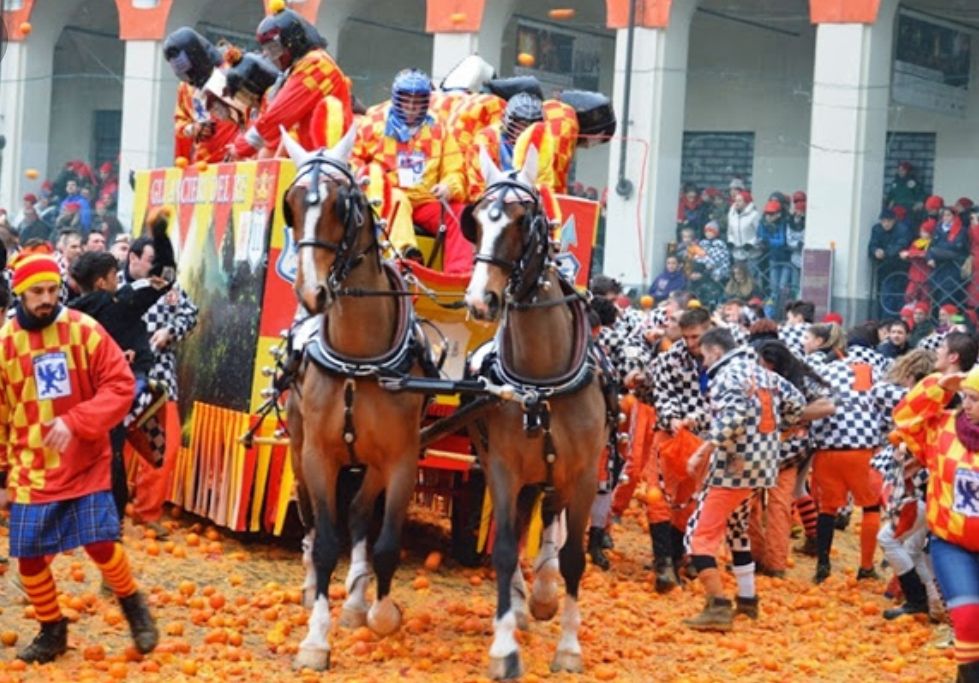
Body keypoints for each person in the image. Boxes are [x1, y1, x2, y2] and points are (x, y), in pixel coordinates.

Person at [0, 254, 158, 663]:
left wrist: (77, 422)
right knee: (29, 555)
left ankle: (132, 604)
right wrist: (2, 474)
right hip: (32, 465)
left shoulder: (84, 330)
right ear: (19, 292)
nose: (47, 299)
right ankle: (52, 630)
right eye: (37, 292)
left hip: (85, 459)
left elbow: (120, 385)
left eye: (53, 290)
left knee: (102, 542)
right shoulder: (5, 343)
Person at [681, 328, 805, 630]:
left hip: (732, 467)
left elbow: (733, 417)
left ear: (715, 351)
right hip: (763, 464)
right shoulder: (765, 374)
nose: (703, 360)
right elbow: (798, 403)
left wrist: (704, 449)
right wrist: (776, 433)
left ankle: (718, 606)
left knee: (698, 536)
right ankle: (748, 601)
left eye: (704, 354)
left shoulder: (727, 375)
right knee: (737, 529)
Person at [893, 365, 979, 683]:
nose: (966, 404)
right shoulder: (942, 428)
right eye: (965, 397)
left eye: (974, 399)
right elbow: (903, 417)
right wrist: (939, 386)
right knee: (969, 615)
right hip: (952, 543)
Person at [351, 69, 468, 272]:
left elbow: (455, 169)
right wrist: (374, 185)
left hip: (425, 200)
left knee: (460, 214)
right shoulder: (374, 121)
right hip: (387, 198)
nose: (412, 108)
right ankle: (405, 256)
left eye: (418, 102)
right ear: (396, 98)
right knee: (398, 199)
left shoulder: (438, 127)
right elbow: (353, 160)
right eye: (406, 101)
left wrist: (449, 186)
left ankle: (460, 274)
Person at [803, 323, 886, 583]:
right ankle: (865, 567)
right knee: (871, 507)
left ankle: (823, 565)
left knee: (826, 509)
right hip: (863, 448)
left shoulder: (821, 370)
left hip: (828, 449)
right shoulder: (869, 371)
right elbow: (883, 403)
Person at [748, 340, 833, 577]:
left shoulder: (797, 381)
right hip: (764, 448)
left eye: (768, 367)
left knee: (776, 504)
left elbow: (828, 405)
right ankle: (759, 558)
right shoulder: (755, 376)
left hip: (784, 451)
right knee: (756, 503)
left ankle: (772, 562)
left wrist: (790, 414)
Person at [231, 7, 351, 158]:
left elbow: (279, 115)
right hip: (312, 159)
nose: (272, 57)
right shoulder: (298, 68)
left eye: (274, 49)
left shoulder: (316, 64)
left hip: (326, 161)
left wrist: (241, 147)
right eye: (267, 51)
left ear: (293, 41)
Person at [869, 209, 913, 317]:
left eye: (888, 221)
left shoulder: (903, 230)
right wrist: (875, 251)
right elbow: (872, 244)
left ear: (894, 221)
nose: (886, 224)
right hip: (883, 268)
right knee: (884, 295)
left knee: (898, 296)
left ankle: (896, 318)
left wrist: (886, 252)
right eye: (883, 221)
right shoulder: (877, 229)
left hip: (900, 267)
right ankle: (883, 318)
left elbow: (901, 245)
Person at [928, 205, 968, 309]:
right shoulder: (938, 229)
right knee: (936, 302)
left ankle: (953, 323)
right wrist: (930, 258)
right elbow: (930, 247)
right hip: (938, 272)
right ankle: (938, 324)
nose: (946, 218)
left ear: (954, 216)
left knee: (949, 302)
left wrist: (936, 251)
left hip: (953, 271)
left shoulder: (961, 230)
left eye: (948, 215)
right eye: (943, 215)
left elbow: (956, 247)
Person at [757, 199, 792, 307]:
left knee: (782, 286)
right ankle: (772, 309)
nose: (768, 216)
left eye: (771, 214)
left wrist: (768, 241)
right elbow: (760, 236)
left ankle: (782, 309)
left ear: (778, 214)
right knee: (773, 287)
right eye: (767, 213)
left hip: (786, 259)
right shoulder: (763, 223)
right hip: (773, 258)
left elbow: (782, 241)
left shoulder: (784, 223)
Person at [727, 190, 760, 266]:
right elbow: (730, 232)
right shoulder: (732, 214)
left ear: (747, 202)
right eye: (735, 200)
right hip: (737, 253)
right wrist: (731, 241)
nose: (736, 203)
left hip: (751, 253)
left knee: (751, 276)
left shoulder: (754, 215)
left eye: (740, 201)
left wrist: (751, 243)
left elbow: (759, 233)